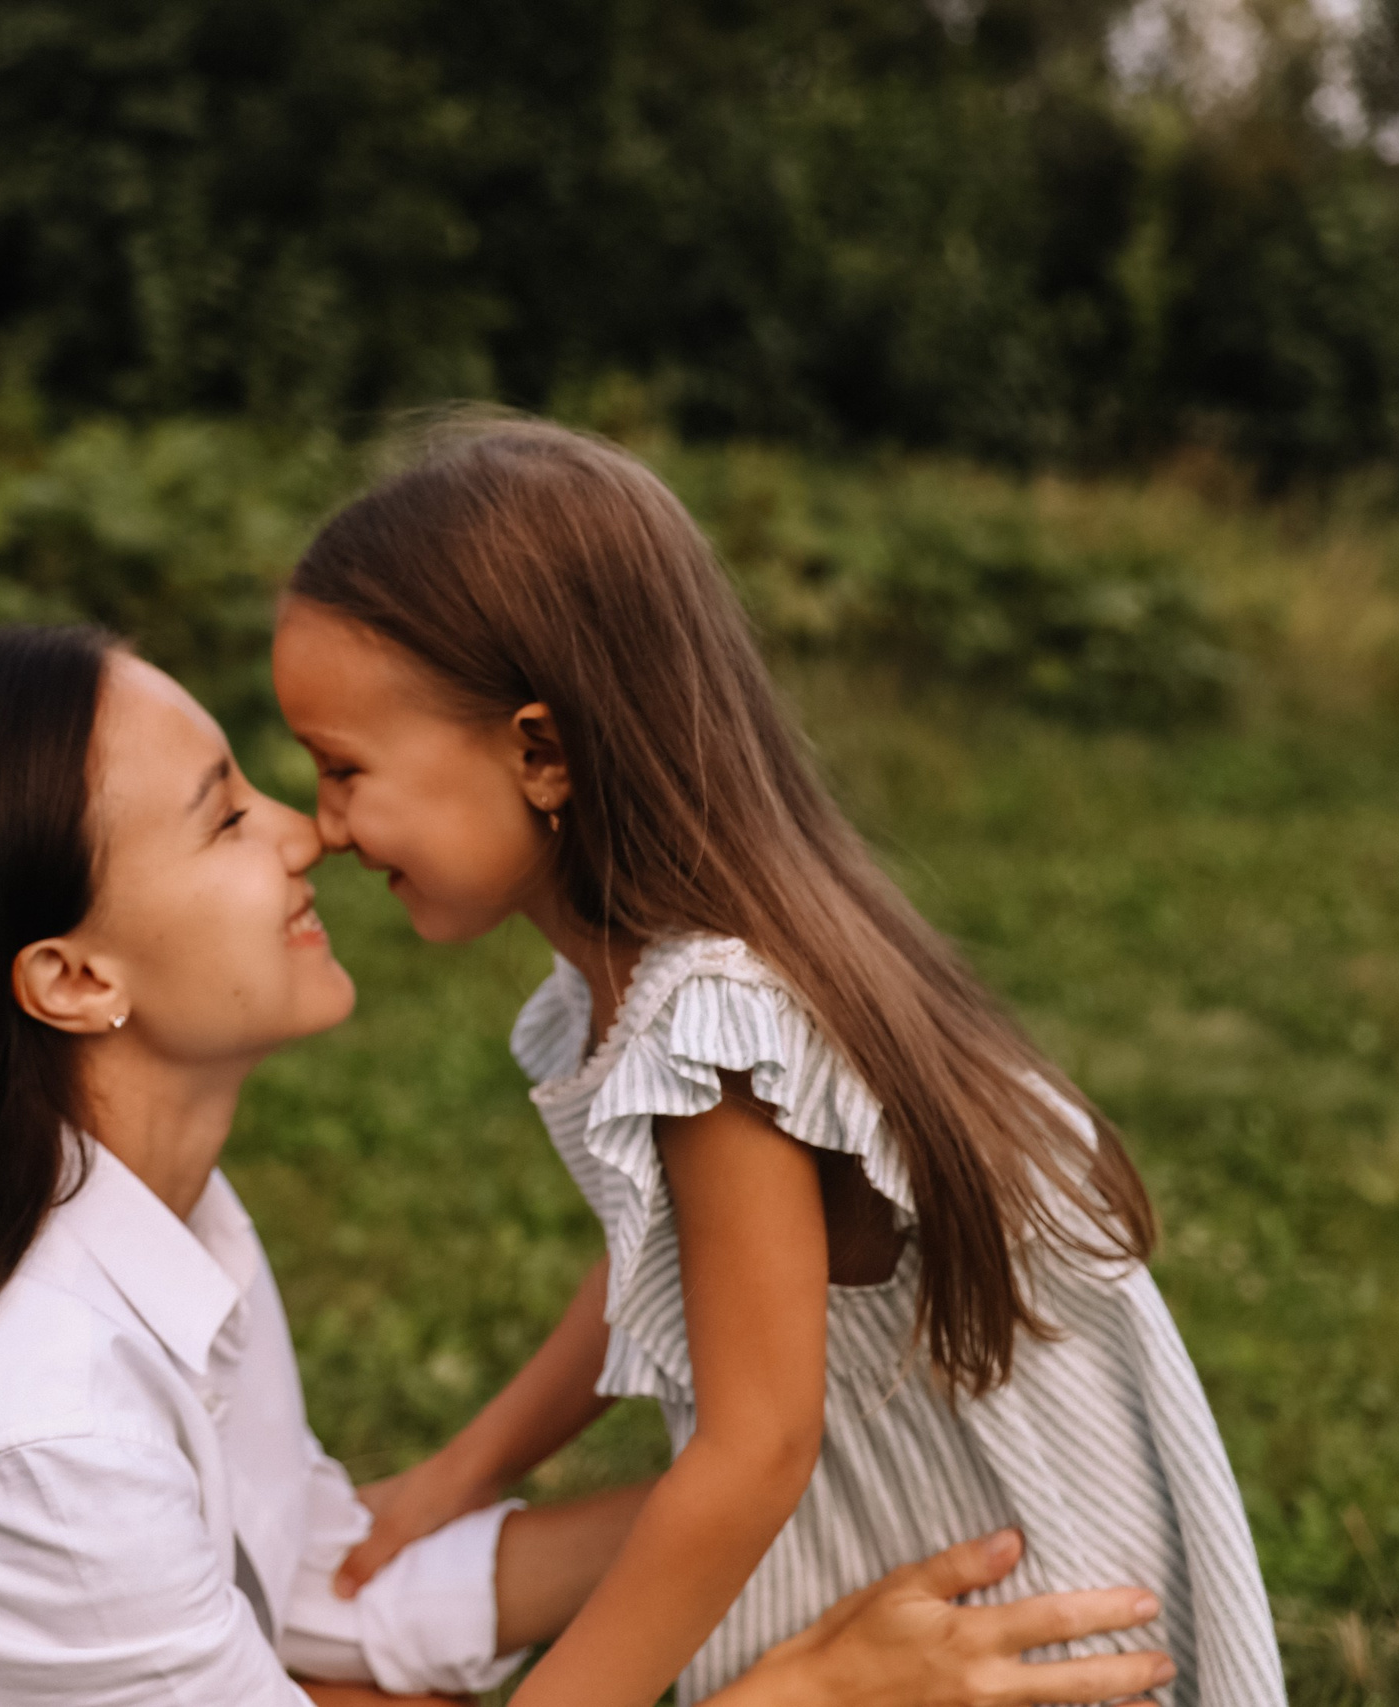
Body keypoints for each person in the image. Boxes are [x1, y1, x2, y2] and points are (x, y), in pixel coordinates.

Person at [0, 624, 1179, 1707]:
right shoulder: (25, 1429)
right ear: (74, 979)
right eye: (226, 814)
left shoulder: (163, 1227)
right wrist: (803, 1695)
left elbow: (318, 1590)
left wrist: (790, 1499)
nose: (306, 828)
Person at [271, 415, 1284, 1707]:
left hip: (978, 1577)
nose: (329, 825)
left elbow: (756, 1453)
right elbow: (670, 1264)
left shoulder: (715, 1026)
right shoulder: (665, 976)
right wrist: (462, 1469)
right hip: (924, 1519)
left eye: (345, 769)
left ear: (541, 753)